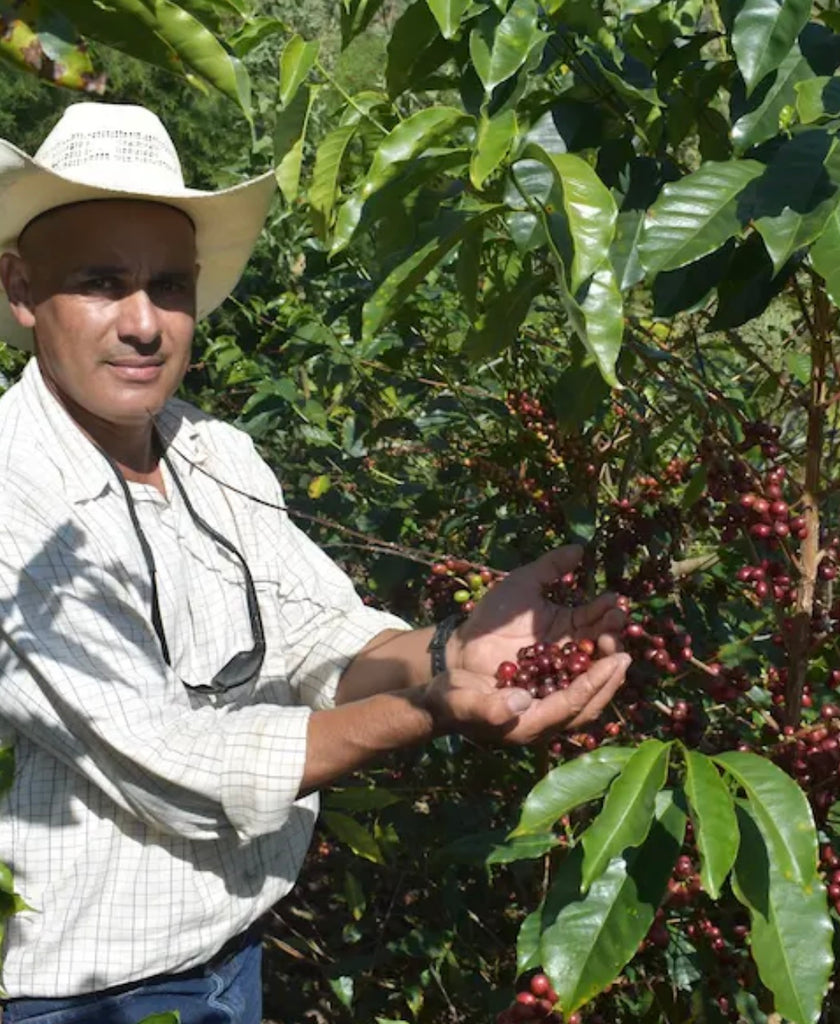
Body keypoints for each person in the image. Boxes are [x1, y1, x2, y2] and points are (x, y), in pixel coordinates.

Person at [0, 103, 630, 1023]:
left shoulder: (213, 453)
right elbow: (166, 764)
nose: (145, 323)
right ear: (21, 289)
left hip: (233, 956)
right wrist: (430, 708)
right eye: (102, 283)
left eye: (170, 286)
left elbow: (316, 635)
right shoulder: (15, 498)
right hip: (83, 998)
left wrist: (458, 646)